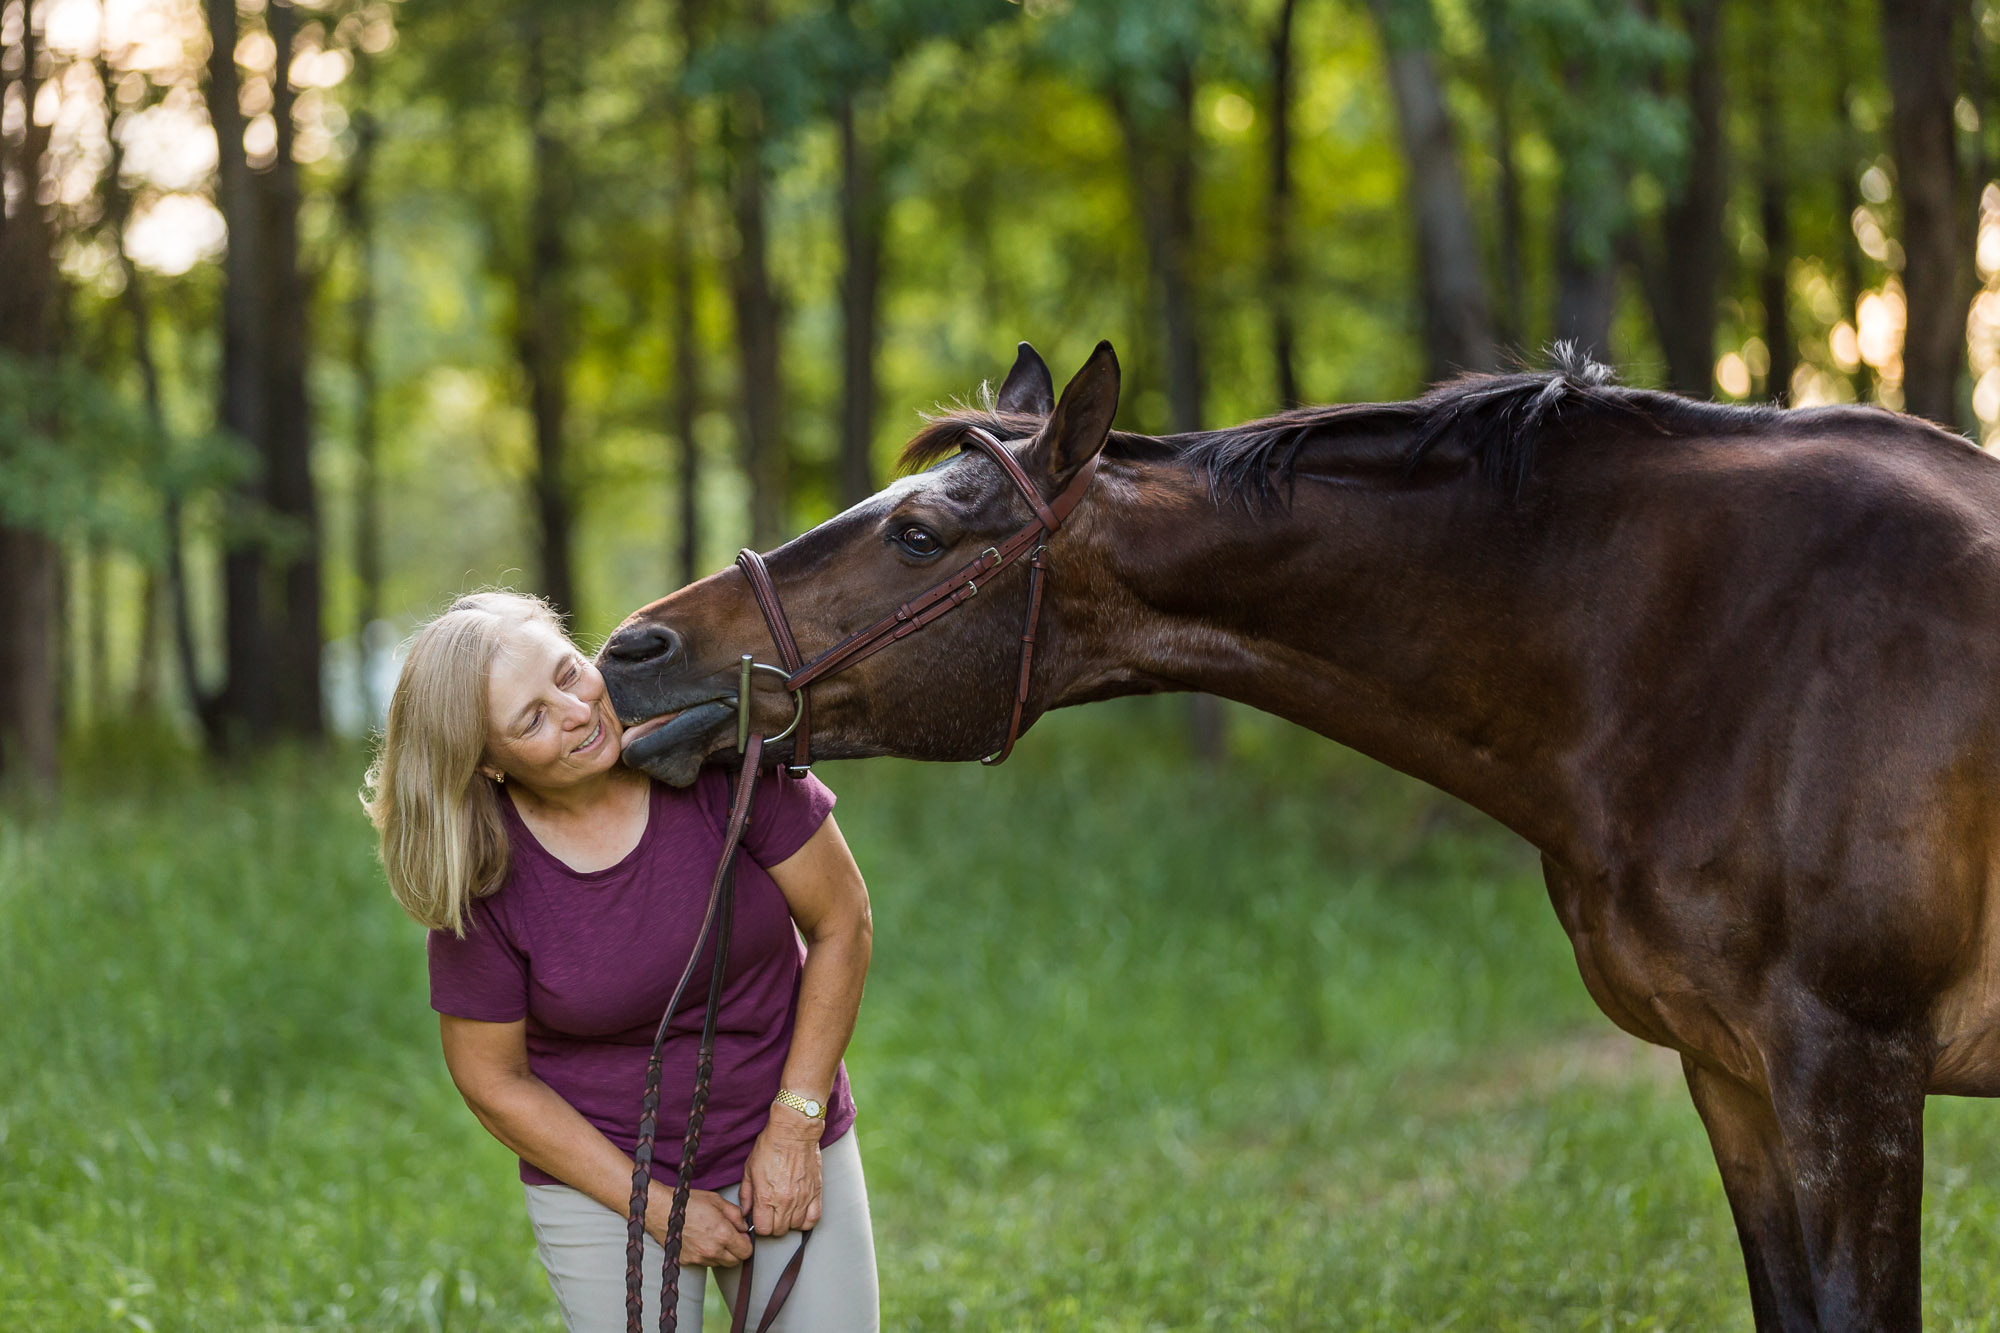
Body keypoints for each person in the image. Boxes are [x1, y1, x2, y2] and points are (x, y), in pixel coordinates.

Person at [362, 591, 878, 1331]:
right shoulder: (483, 874)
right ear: (487, 765)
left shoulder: (718, 760)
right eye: (532, 719)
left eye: (568, 674)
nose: (576, 712)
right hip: (603, 1172)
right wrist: (659, 1208)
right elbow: (491, 1077)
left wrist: (796, 1124)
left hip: (782, 1121)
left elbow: (843, 921)